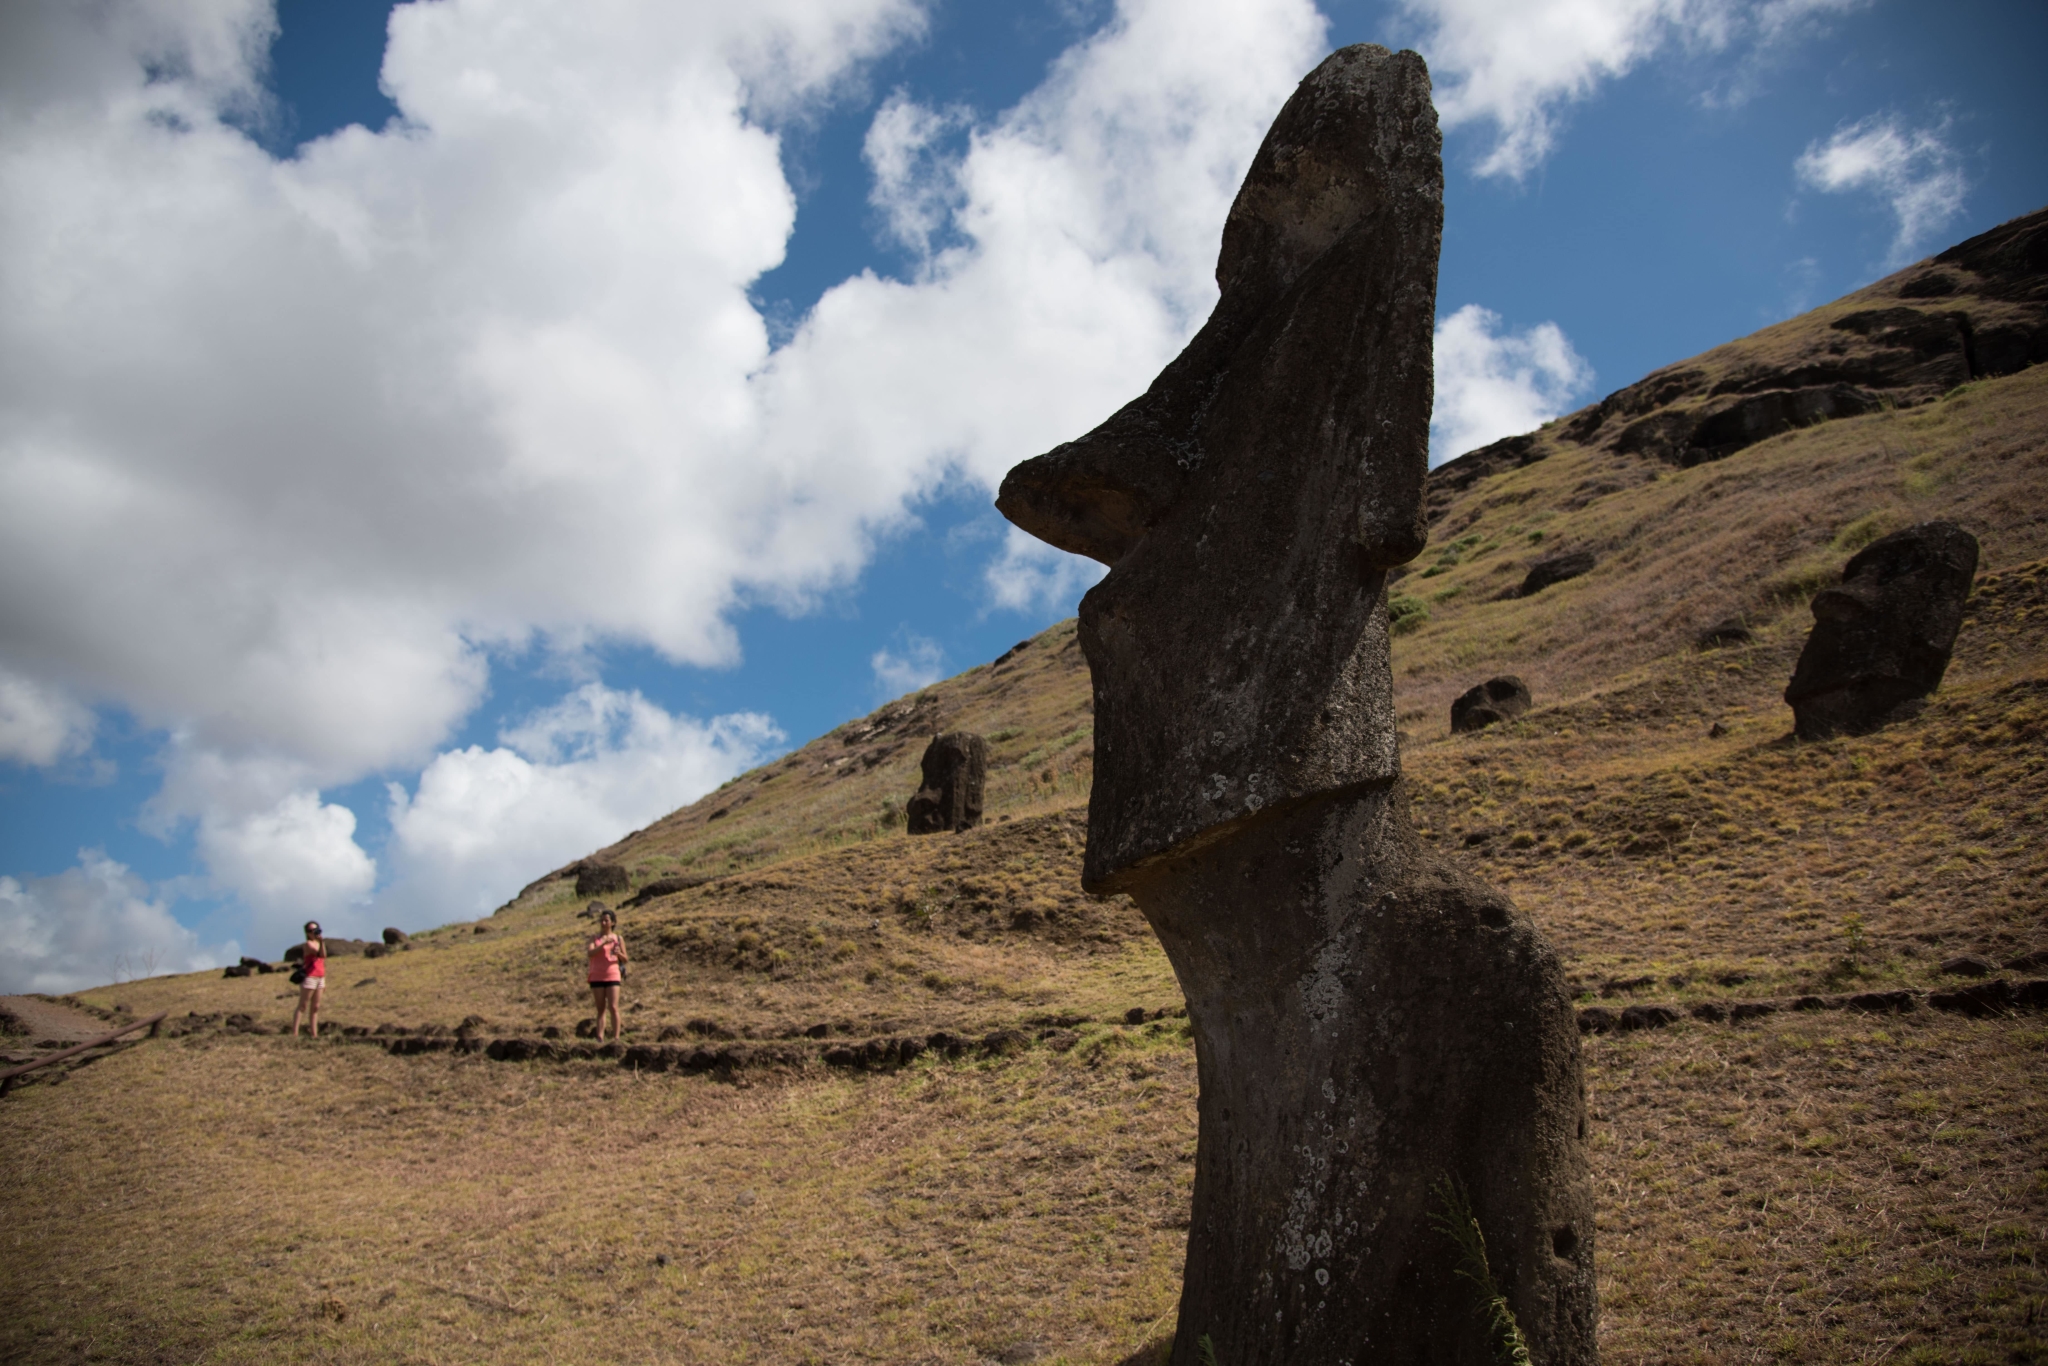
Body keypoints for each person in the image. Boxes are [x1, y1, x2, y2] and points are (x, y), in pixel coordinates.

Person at [586, 909, 628, 1042]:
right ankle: (600, 1037)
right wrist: (603, 944)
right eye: (602, 920)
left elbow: (625, 959)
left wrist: (618, 953)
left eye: (606, 920)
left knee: (614, 1007)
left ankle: (616, 1038)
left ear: (613, 922)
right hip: (597, 976)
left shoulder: (618, 938)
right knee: (600, 1009)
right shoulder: (594, 938)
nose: (603, 923)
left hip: (613, 975)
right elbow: (590, 953)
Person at [291, 920, 327, 1039]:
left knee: (315, 1007)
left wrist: (321, 942)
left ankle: (314, 1033)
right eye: (311, 931)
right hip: (310, 976)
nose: (314, 933)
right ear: (307, 933)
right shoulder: (308, 944)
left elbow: (324, 955)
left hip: (320, 976)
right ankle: (295, 1033)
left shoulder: (319, 943)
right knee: (303, 1005)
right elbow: (320, 954)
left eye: (316, 930)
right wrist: (321, 942)